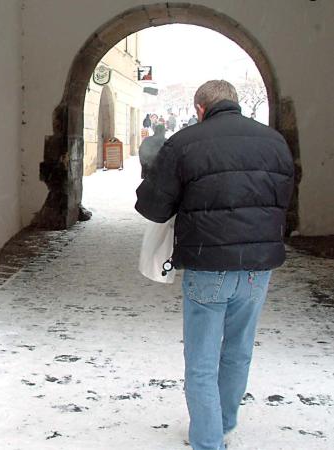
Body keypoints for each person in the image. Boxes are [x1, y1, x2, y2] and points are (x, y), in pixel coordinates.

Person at [135, 80, 294, 450]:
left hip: (209, 265)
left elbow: (153, 207)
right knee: (238, 350)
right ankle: (223, 422)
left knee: (202, 359)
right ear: (236, 103)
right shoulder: (274, 142)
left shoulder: (185, 143)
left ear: (200, 109)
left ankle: (208, 441)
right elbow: (286, 198)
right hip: (258, 267)